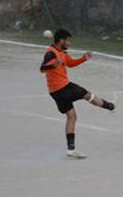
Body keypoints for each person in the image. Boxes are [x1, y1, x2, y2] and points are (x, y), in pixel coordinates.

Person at [39, 29, 115, 159]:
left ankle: (71, 150)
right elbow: (43, 68)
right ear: (61, 40)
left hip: (55, 91)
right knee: (86, 94)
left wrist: (83, 58)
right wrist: (53, 65)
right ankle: (108, 106)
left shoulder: (62, 53)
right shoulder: (51, 53)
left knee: (72, 116)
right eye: (68, 40)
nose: (69, 42)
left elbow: (70, 64)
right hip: (63, 87)